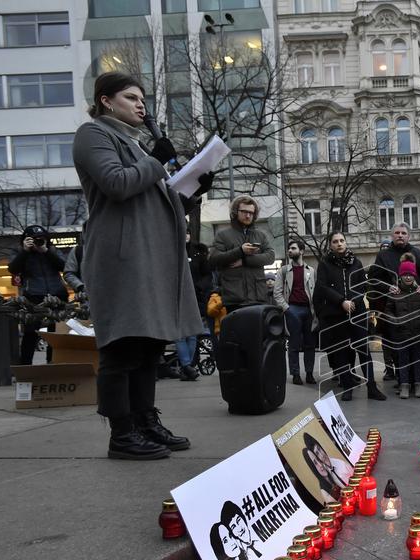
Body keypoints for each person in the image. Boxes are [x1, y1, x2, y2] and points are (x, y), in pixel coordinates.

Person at [72, 72, 206, 460]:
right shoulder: (93, 134)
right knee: (123, 346)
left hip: (149, 256)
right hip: (121, 256)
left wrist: (194, 186)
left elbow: (159, 199)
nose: (140, 105)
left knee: (149, 347)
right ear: (106, 101)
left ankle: (146, 421)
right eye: (130, 97)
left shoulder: (133, 144)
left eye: (142, 98)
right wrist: (156, 160)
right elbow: (116, 183)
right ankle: (123, 433)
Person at [312, 231, 386, 402]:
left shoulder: (356, 262)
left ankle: (372, 388)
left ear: (346, 243)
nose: (339, 244)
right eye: (335, 241)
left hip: (357, 313)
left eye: (342, 241)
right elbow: (322, 287)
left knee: (364, 351)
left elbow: (362, 286)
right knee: (341, 353)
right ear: (330, 244)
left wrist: (352, 300)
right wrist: (341, 301)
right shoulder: (324, 264)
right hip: (336, 315)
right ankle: (347, 387)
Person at [368, 223, 420, 383]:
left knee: (419, 346)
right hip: (394, 308)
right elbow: (373, 278)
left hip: (417, 308)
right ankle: (401, 378)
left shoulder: (418, 253)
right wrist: (387, 287)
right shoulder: (383, 255)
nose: (400, 235)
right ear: (392, 235)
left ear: (408, 236)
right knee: (397, 345)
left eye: (403, 233)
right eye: (397, 232)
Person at [8, 225, 68, 365]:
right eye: (34, 239)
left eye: (41, 239)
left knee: (56, 333)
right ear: (25, 240)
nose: (38, 242)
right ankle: (25, 366)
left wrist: (46, 251)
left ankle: (52, 363)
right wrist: (25, 251)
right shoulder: (19, 251)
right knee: (30, 332)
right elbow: (13, 269)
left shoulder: (51, 250)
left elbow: (64, 267)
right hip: (33, 296)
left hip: (57, 294)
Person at [208, 196, 275, 313]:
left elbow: (270, 256)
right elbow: (213, 259)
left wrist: (245, 260)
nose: (248, 215)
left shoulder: (261, 235)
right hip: (235, 298)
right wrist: (240, 251)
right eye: (244, 212)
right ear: (235, 212)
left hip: (258, 296)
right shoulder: (223, 235)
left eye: (251, 213)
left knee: (257, 331)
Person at [385, 255, 420, 399]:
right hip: (401, 333)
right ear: (400, 276)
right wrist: (396, 320)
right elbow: (388, 310)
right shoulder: (395, 293)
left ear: (414, 276)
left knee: (418, 359)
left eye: (410, 275)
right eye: (405, 275)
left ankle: (418, 384)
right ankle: (404, 384)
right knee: (403, 360)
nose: (407, 278)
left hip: (418, 332)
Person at [274, 239, 317, 386]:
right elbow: (277, 294)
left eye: (293, 248)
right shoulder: (284, 271)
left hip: (309, 310)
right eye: (289, 249)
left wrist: (315, 312)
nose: (289, 251)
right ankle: (296, 374)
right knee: (293, 344)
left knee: (310, 344)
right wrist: (287, 309)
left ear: (302, 251)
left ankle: (310, 373)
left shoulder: (311, 271)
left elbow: (315, 292)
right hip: (293, 309)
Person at [174, 232, 211, 382]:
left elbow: (207, 275)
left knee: (192, 333)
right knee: (180, 334)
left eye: (188, 231)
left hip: (195, 296)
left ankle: (187, 367)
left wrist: (198, 288)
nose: (186, 234)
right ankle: (187, 366)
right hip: (176, 296)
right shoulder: (171, 249)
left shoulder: (198, 252)